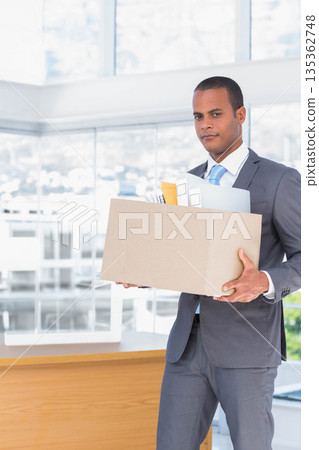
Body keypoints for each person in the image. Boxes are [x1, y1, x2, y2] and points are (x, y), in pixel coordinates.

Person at [120, 76, 301, 450]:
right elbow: (179, 256)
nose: (205, 125)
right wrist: (143, 271)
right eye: (198, 116)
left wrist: (264, 280)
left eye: (216, 114)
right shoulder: (185, 184)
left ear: (241, 115)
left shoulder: (279, 180)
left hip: (247, 347)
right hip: (187, 345)